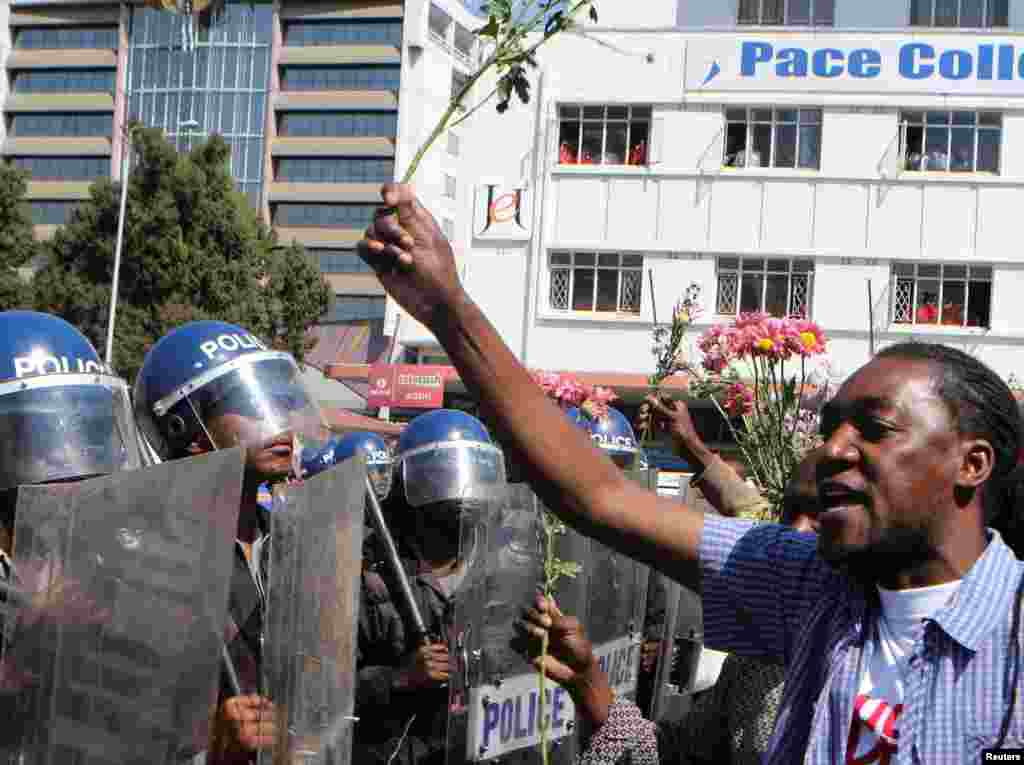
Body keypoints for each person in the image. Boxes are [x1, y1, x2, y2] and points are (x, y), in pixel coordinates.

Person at [359, 183, 1024, 763]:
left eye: (874, 428)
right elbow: (598, 494)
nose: (835, 450)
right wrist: (448, 309)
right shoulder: (811, 587)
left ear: (972, 463)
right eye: (830, 429)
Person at [135, 319, 334, 763]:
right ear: (185, 429)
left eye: (279, 401)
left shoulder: (291, 541)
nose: (278, 423)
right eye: (246, 405)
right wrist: (209, 739)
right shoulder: (150, 556)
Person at [354, 409, 506, 765]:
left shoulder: (501, 562)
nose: (463, 493)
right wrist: (399, 677)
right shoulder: (371, 569)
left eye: (472, 474)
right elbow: (324, 684)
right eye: (444, 477)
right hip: (393, 751)